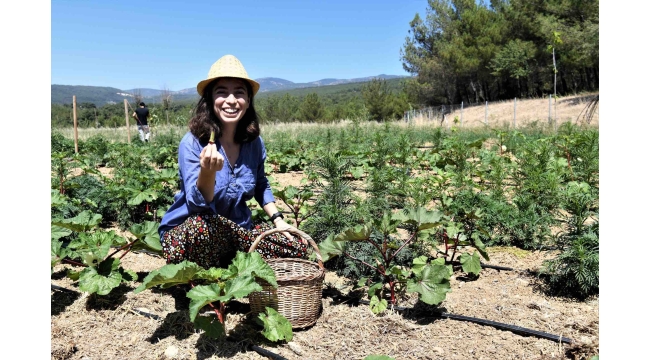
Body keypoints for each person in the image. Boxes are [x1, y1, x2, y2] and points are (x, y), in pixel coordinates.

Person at [158, 54, 308, 269]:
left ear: (247, 101)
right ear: (210, 100)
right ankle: (207, 278)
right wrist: (207, 172)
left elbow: (260, 184)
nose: (231, 100)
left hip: (237, 230)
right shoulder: (192, 143)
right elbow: (197, 205)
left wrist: (278, 220)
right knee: (203, 227)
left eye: (239, 93)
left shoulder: (254, 143)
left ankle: (230, 264)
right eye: (222, 92)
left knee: (296, 246)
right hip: (190, 232)